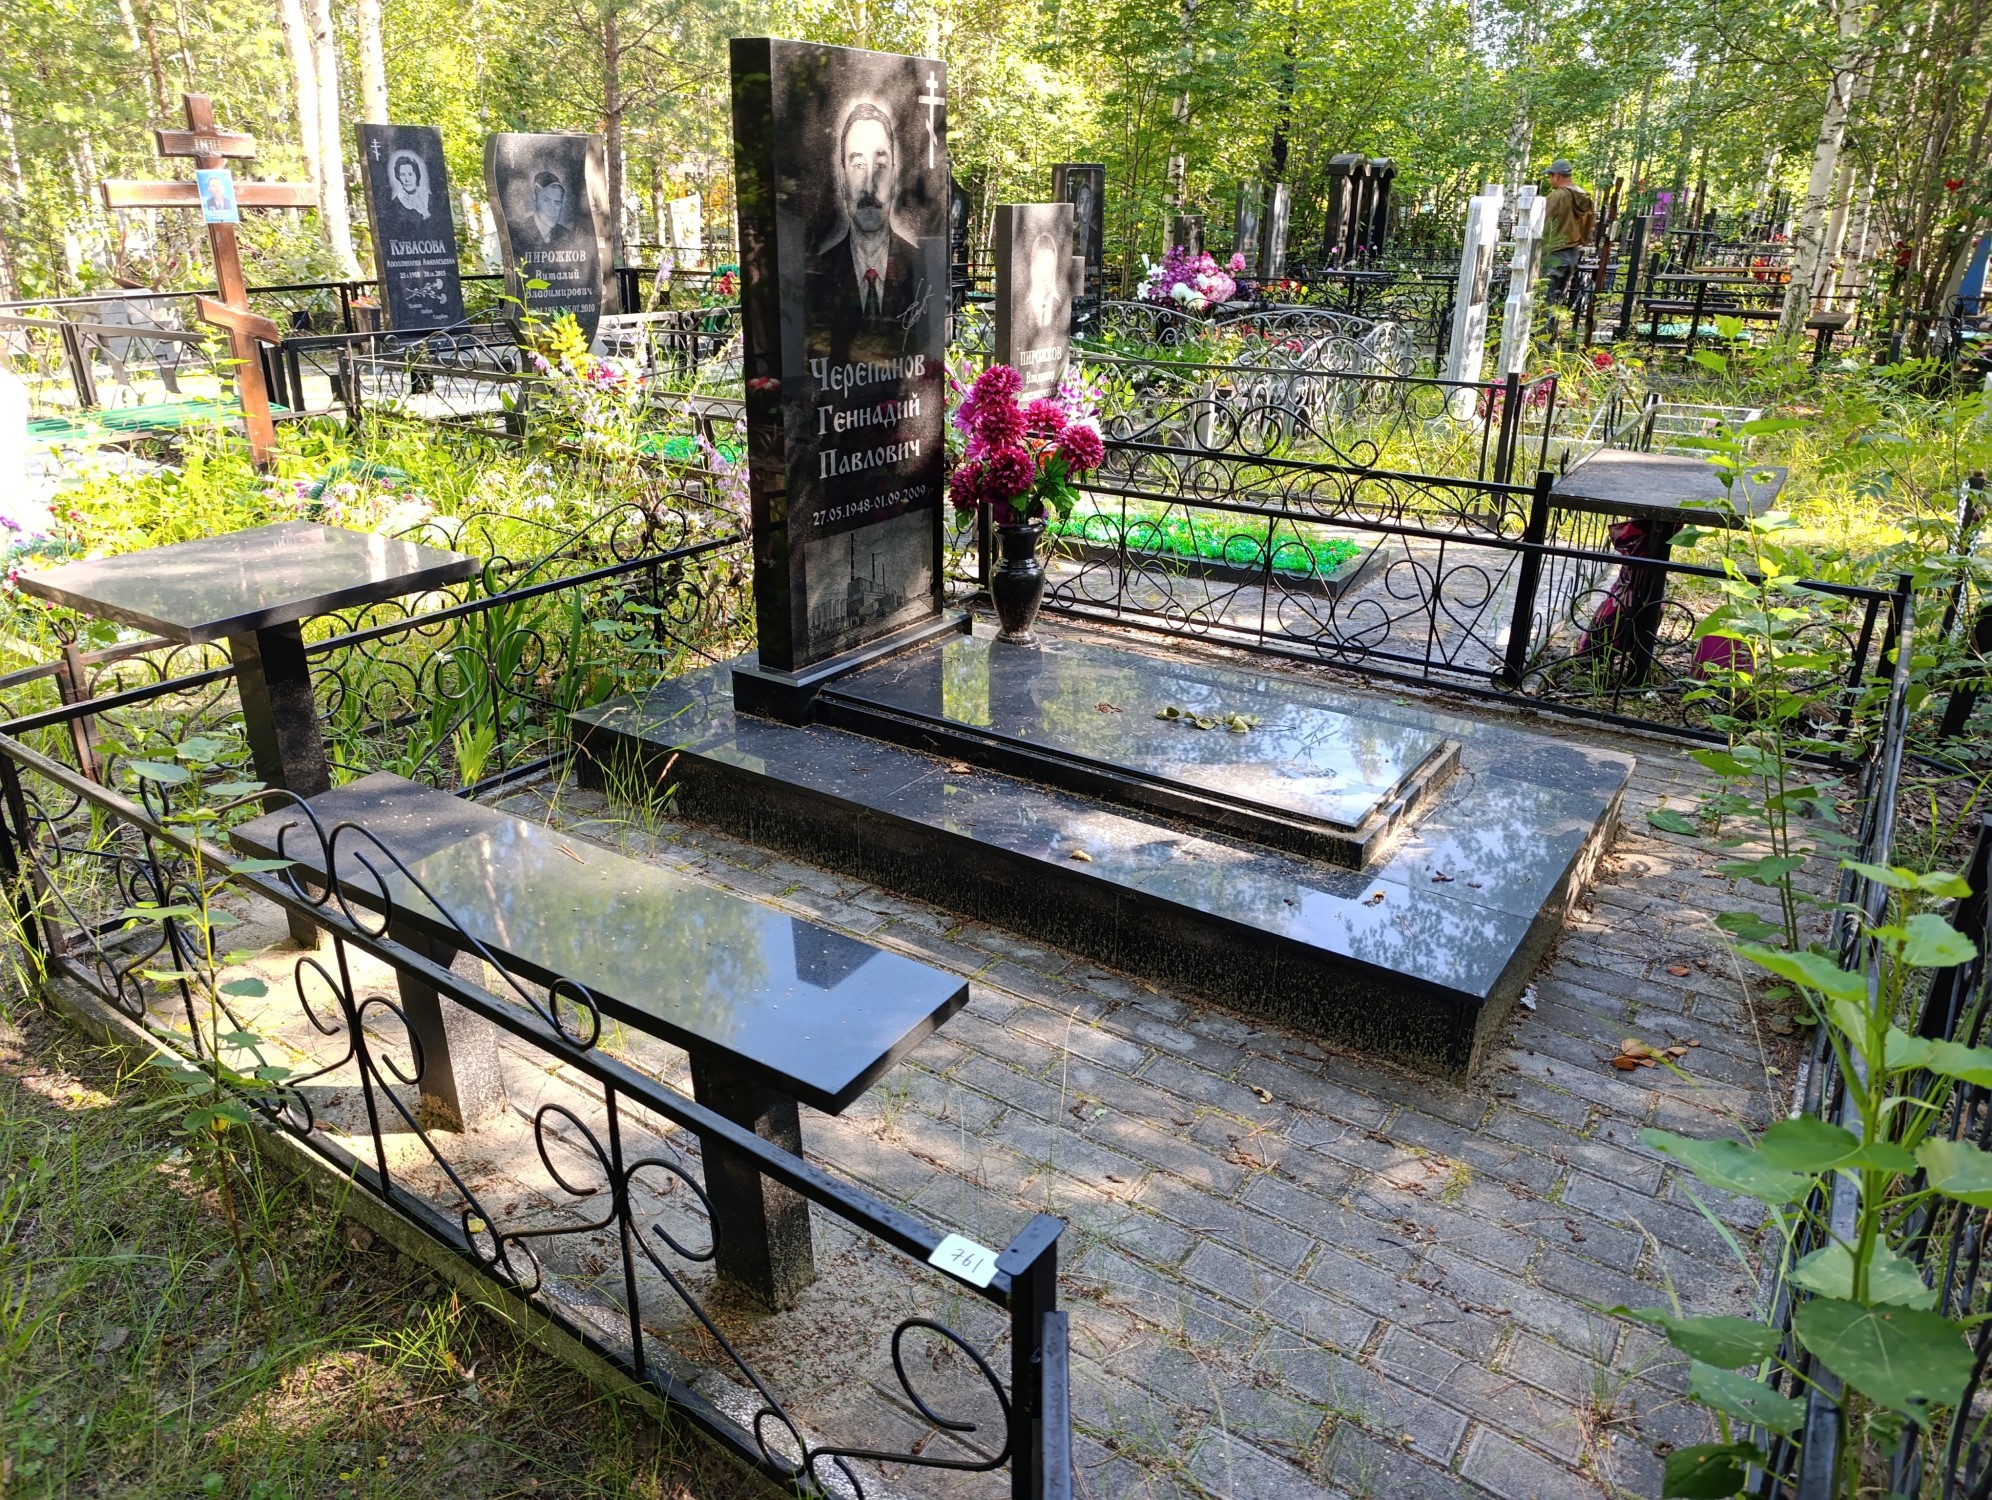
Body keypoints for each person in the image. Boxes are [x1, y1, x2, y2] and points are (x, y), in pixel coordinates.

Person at [804, 99, 928, 363]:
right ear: (842, 179)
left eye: (880, 166)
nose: (869, 186)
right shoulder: (817, 275)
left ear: (894, 176)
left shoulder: (921, 267)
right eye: (858, 165)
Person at [1542, 159, 1596, 306]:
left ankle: (1545, 323)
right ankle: (1553, 322)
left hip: (1554, 253)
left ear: (1557, 176)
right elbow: (1590, 225)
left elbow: (1541, 223)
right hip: (1573, 253)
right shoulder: (1584, 196)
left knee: (1543, 300)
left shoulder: (1556, 196)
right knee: (1558, 299)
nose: (1550, 180)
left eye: (1550, 176)